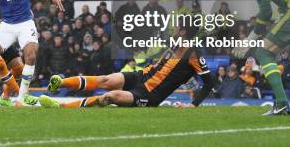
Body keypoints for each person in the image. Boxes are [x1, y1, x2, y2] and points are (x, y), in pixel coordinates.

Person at [38, 26, 215, 108]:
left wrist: (193, 105)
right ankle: (59, 83)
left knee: (111, 96)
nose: (172, 29)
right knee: (106, 79)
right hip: (141, 76)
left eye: (176, 28)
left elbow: (209, 81)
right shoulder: (172, 45)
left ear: (183, 32)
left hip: (150, 94)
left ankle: (61, 108)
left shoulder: (193, 54)